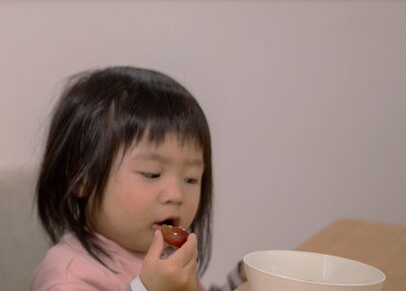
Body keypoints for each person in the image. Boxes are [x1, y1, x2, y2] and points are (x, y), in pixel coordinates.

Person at [28, 67, 244, 291]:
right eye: (152, 174)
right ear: (82, 178)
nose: (176, 195)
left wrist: (240, 282)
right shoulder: (68, 276)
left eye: (190, 179)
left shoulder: (166, 254)